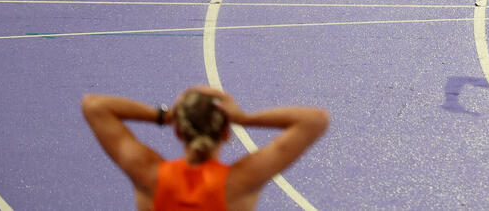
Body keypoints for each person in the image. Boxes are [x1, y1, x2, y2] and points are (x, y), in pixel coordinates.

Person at [82, 86, 329, 210]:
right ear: (226, 132)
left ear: (178, 130)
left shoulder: (149, 175)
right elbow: (314, 120)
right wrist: (244, 118)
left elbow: (94, 106)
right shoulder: (239, 183)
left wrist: (163, 115)